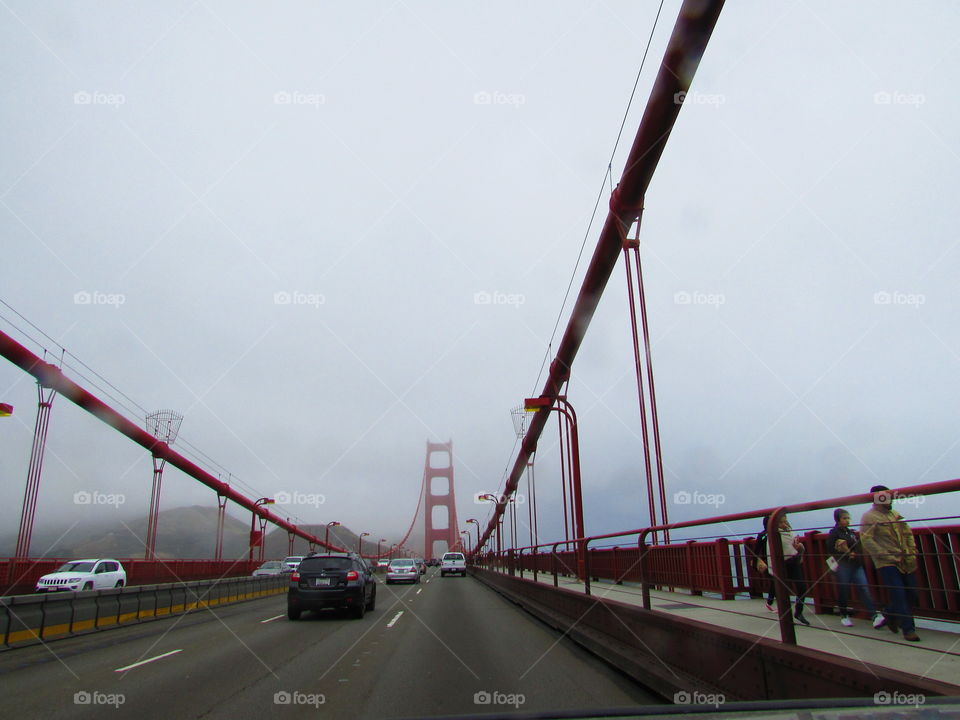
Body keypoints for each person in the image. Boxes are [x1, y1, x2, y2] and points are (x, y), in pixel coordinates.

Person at [860, 485, 921, 641]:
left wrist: (912, 549)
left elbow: (907, 532)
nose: (890, 499)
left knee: (912, 593)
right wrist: (884, 554)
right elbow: (866, 539)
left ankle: (888, 614)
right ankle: (908, 629)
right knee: (899, 593)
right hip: (886, 562)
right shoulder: (869, 517)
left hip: (905, 559)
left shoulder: (896, 514)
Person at [827, 508, 882, 628]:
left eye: (848, 518)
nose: (847, 520)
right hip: (843, 566)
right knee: (844, 590)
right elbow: (830, 549)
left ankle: (874, 615)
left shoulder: (850, 532)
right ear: (838, 519)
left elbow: (857, 546)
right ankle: (844, 615)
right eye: (844, 518)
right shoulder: (834, 533)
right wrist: (846, 554)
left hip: (856, 564)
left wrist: (855, 554)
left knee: (864, 588)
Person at [758, 514, 810, 625]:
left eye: (785, 521)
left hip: (793, 562)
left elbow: (795, 548)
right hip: (780, 564)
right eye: (780, 522)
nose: (784, 524)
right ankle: (786, 618)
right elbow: (770, 552)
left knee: (802, 587)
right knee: (782, 591)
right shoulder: (772, 535)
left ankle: (798, 612)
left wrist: (800, 549)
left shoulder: (791, 533)